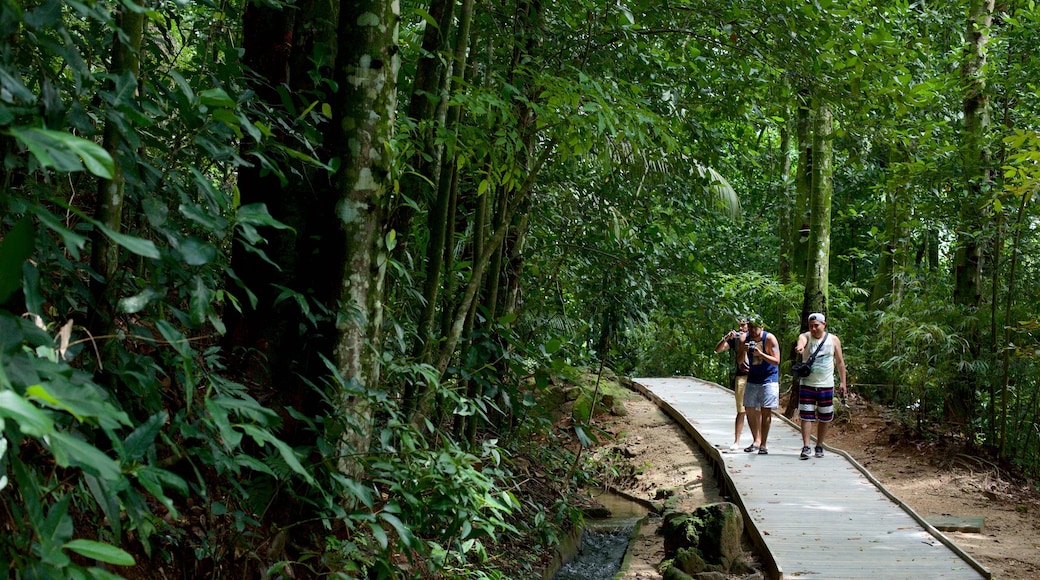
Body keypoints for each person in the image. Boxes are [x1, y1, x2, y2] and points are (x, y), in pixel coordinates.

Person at [794, 312, 848, 459]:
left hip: (826, 384)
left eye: (816, 326)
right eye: (811, 326)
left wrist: (843, 382)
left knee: (825, 416)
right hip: (807, 383)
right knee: (806, 416)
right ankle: (806, 446)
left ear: (824, 325)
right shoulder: (806, 336)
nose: (813, 329)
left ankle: (819, 445)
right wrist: (800, 348)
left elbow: (840, 362)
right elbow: (801, 342)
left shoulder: (833, 340)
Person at [739, 317, 780, 455]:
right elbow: (739, 361)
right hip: (752, 378)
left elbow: (776, 361)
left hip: (769, 379)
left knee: (765, 410)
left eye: (755, 327)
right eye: (750, 327)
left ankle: (763, 444)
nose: (752, 330)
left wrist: (761, 354)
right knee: (748, 408)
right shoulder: (745, 338)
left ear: (761, 327)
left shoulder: (769, 339)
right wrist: (743, 351)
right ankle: (756, 440)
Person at [714, 318, 750, 451]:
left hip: (755, 377)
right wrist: (726, 338)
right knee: (741, 410)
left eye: (744, 325)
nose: (741, 328)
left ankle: (758, 441)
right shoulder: (734, 339)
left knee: (756, 411)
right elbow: (717, 350)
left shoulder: (757, 337)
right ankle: (737, 441)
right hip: (741, 376)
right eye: (740, 325)